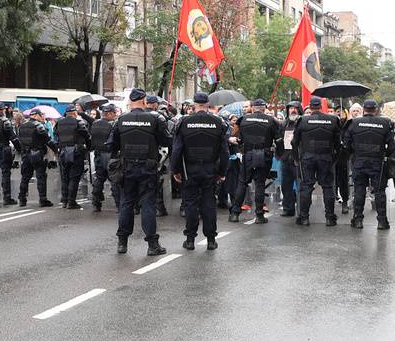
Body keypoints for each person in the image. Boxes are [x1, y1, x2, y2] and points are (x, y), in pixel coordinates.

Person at [113, 88, 170, 256]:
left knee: (126, 203)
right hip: (148, 167)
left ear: (131, 102)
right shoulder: (156, 118)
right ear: (144, 101)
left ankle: (122, 243)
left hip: (127, 167)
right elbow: (166, 140)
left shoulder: (121, 119)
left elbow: (112, 144)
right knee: (148, 204)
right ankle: (152, 245)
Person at [174, 92, 230, 250]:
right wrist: (222, 172)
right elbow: (224, 152)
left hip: (190, 170)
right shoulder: (218, 122)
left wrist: (176, 170)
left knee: (190, 204)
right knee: (209, 203)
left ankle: (190, 240)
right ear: (208, 104)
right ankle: (211, 240)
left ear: (194, 104)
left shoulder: (184, 122)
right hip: (209, 169)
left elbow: (177, 150)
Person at [344, 98, 395, 231]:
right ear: (376, 110)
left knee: (359, 191)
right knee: (379, 192)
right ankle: (382, 221)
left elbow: (346, 143)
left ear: (363, 109)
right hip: (377, 162)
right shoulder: (386, 123)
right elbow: (391, 146)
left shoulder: (353, 122)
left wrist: (354, 155)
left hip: (359, 161)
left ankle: (358, 220)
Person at [291, 97, 342, 226]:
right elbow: (338, 143)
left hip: (308, 157)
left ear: (310, 106)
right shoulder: (333, 120)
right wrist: (334, 158)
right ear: (321, 106)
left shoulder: (302, 120)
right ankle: (330, 218)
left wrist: (296, 158)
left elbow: (294, 142)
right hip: (326, 157)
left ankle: (304, 217)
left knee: (306, 186)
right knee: (327, 187)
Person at [235, 98, 281, 223]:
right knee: (260, 183)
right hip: (264, 154)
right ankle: (259, 215)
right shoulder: (271, 120)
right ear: (264, 108)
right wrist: (280, 154)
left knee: (243, 182)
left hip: (248, 154)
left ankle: (234, 213)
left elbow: (239, 139)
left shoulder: (243, 120)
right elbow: (278, 140)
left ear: (253, 107)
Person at [14, 107, 55, 207]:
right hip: (37, 154)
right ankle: (43, 199)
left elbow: (19, 141)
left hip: (25, 154)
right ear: (36, 115)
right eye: (41, 115)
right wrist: (56, 149)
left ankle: (22, 199)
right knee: (41, 177)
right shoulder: (39, 126)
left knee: (25, 177)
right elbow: (48, 140)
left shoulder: (22, 126)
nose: (42, 117)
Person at [53, 103, 89, 209]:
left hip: (63, 152)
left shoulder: (59, 122)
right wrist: (89, 146)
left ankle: (64, 200)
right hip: (76, 152)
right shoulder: (78, 122)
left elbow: (55, 136)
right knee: (74, 177)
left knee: (65, 177)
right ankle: (71, 201)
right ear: (74, 113)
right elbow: (86, 135)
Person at [88, 102, 118, 212]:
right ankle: (118, 204)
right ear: (109, 113)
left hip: (98, 154)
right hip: (110, 154)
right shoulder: (113, 124)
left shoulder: (95, 123)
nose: (115, 114)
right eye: (114, 113)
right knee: (114, 179)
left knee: (99, 179)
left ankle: (96, 203)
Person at [279, 102, 302, 216]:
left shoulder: (302, 123)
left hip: (298, 159)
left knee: (300, 186)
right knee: (285, 185)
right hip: (285, 158)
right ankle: (288, 208)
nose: (293, 110)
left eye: (295, 108)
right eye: (291, 108)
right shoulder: (284, 123)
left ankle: (302, 211)